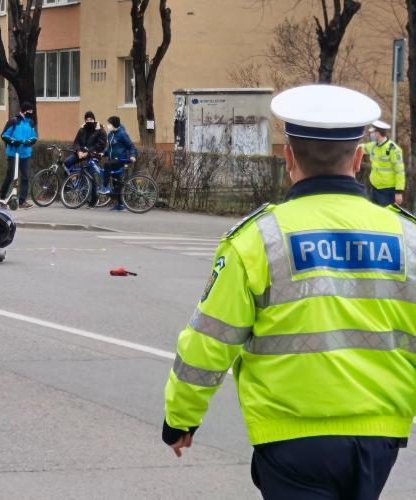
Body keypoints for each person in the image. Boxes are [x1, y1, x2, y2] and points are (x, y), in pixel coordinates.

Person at [162, 85, 416, 499]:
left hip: (293, 438)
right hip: (381, 438)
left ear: (289, 157)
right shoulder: (407, 237)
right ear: (358, 159)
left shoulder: (257, 239)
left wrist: (181, 417)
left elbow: (209, 339)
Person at [63, 111, 107, 208]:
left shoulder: (100, 130)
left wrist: (88, 152)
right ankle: (70, 185)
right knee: (66, 163)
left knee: (90, 176)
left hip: (93, 154)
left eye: (91, 119)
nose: (89, 121)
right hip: (81, 153)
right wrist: (78, 151)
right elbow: (76, 142)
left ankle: (94, 200)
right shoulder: (82, 129)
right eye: (87, 119)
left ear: (94, 119)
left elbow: (101, 144)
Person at [0, 101, 38, 209]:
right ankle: (2, 198)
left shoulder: (30, 123)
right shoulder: (13, 121)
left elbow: (34, 137)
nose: (31, 113)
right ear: (25, 111)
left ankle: (22, 201)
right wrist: (13, 141)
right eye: (30, 111)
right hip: (13, 153)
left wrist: (29, 141)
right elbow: (4, 135)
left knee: (25, 177)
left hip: (25, 154)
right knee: (10, 176)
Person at [361, 120, 405, 206]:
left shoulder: (393, 149)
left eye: (373, 132)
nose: (371, 134)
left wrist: (398, 192)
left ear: (378, 133)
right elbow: (360, 149)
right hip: (374, 188)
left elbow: (400, 172)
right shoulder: (373, 146)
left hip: (387, 191)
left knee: (385, 215)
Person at [100, 116, 137, 212]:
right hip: (113, 160)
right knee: (117, 183)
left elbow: (131, 146)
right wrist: (103, 153)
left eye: (109, 124)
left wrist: (133, 155)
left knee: (107, 165)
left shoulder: (122, 134)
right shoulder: (110, 134)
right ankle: (120, 205)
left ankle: (105, 187)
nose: (108, 126)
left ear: (114, 124)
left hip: (121, 159)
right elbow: (110, 148)